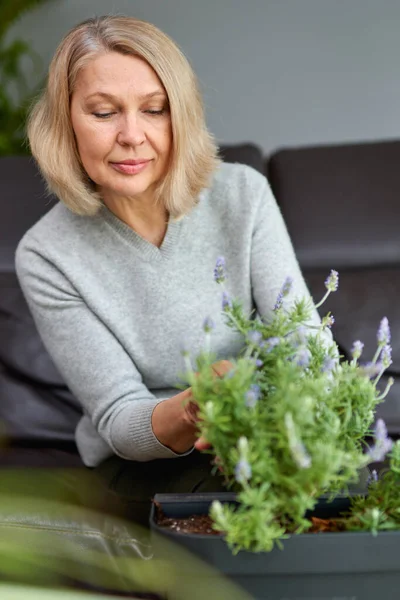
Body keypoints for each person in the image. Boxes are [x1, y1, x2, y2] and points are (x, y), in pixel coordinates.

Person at [15, 15, 323, 523]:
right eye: (103, 112)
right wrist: (193, 409)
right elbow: (118, 416)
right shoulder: (46, 254)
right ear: (65, 122)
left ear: (179, 115)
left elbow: (307, 347)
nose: (132, 135)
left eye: (154, 110)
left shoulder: (243, 194)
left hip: (271, 428)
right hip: (146, 462)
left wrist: (254, 410)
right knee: (247, 504)